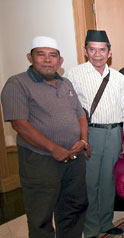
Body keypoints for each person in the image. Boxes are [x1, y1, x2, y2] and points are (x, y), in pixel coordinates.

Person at [1, 36, 88, 238]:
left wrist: (83, 141)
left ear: (60, 61)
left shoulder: (65, 83)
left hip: (74, 159)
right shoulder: (17, 84)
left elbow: (80, 114)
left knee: (74, 208)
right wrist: (53, 149)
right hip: (40, 159)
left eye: (53, 55)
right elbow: (19, 124)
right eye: (41, 54)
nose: (47, 60)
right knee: (41, 214)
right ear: (30, 57)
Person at [65, 30, 124, 237]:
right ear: (86, 51)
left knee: (107, 181)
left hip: (114, 133)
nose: (98, 54)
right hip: (89, 134)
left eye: (102, 50)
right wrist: (80, 137)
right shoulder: (74, 74)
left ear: (109, 52)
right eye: (92, 50)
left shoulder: (119, 78)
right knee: (89, 182)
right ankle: (90, 227)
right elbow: (69, 109)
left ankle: (105, 223)